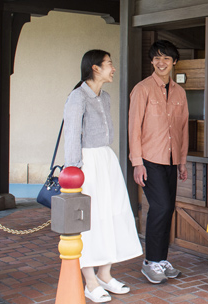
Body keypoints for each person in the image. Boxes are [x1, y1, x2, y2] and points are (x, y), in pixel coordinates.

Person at [64, 50, 142, 303]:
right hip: (87, 163)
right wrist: (74, 171)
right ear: (95, 68)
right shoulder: (77, 98)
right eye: (109, 64)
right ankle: (90, 281)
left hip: (106, 160)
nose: (113, 68)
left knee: (113, 214)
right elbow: (72, 137)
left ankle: (105, 275)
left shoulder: (105, 97)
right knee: (90, 220)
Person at [128, 40, 189, 284]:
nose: (161, 62)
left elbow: (183, 129)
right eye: (156, 58)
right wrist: (137, 162)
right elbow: (134, 127)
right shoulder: (142, 89)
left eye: (166, 58)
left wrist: (182, 162)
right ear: (151, 61)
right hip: (150, 158)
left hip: (172, 160)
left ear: (174, 62)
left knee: (168, 209)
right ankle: (150, 262)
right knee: (161, 207)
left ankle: (161, 260)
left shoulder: (180, 92)